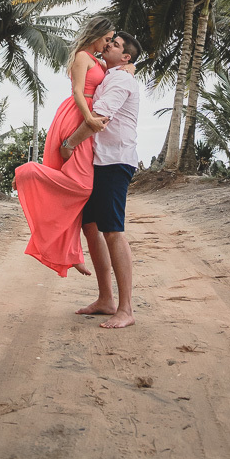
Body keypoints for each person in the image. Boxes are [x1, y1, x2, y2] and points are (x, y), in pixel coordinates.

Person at [14, 15, 114, 277]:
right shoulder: (82, 56)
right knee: (82, 186)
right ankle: (28, 172)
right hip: (77, 117)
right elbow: (78, 91)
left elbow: (116, 71)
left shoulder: (98, 61)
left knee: (78, 193)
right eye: (106, 39)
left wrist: (130, 68)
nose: (108, 44)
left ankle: (72, 253)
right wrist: (88, 118)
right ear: (97, 34)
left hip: (88, 120)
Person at [61, 31, 142, 329]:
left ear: (126, 57)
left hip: (115, 161)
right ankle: (106, 299)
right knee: (90, 226)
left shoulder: (120, 80)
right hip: (100, 161)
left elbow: (100, 117)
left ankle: (126, 309)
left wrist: (69, 144)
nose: (108, 45)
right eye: (109, 41)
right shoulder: (112, 74)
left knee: (113, 231)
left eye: (115, 45)